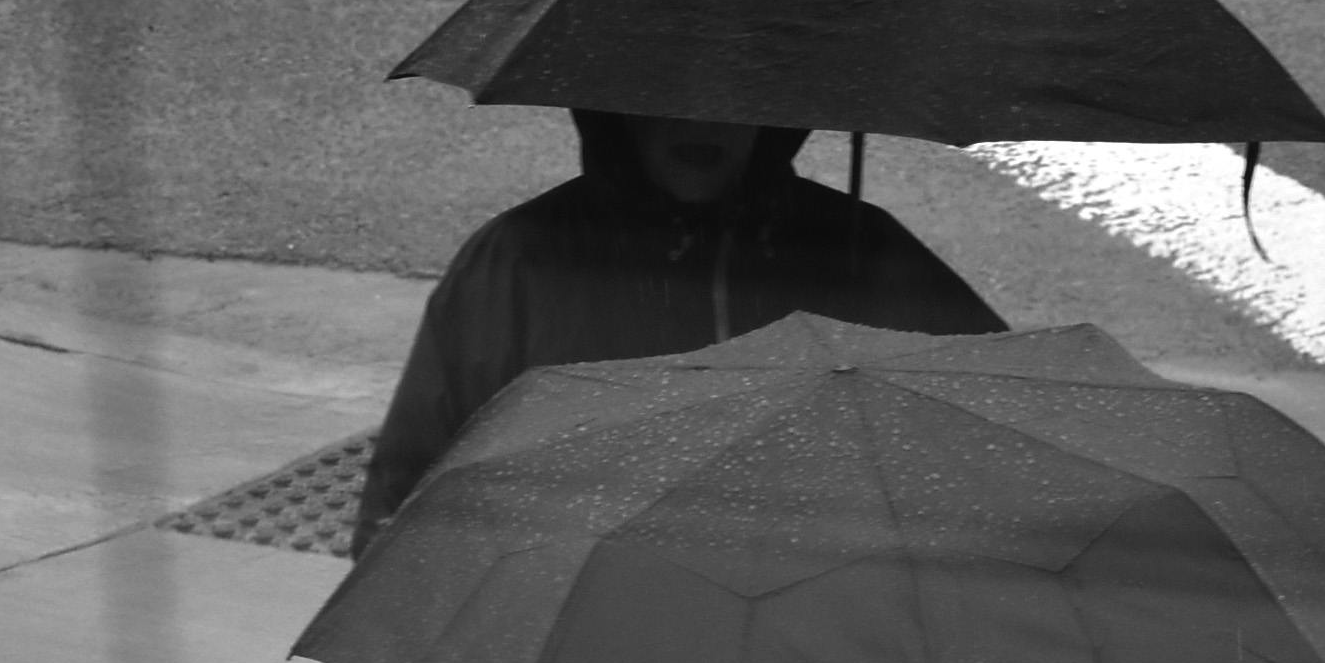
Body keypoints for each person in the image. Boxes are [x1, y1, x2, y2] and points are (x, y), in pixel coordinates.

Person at [351, 110, 1003, 555]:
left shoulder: (862, 252)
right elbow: (410, 495)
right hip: (581, 649)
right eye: (671, 94)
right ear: (616, 111)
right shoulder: (524, 260)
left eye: (736, 93)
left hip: (809, 641)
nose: (702, 120)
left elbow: (995, 418)